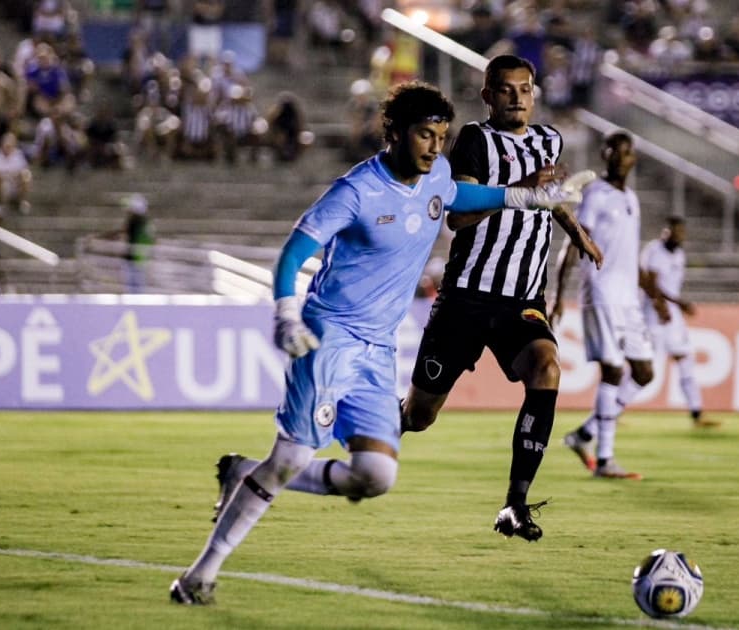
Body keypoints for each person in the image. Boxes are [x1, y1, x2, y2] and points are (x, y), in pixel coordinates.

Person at [169, 81, 592, 605]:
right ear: (393, 133)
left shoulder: (436, 173)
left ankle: (241, 473)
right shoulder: (357, 190)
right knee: (290, 457)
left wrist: (522, 195)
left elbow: (461, 195)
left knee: (375, 474)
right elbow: (294, 250)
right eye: (423, 135)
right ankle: (197, 577)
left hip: (377, 351)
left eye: (441, 136)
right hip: (328, 338)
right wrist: (284, 312)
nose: (435, 147)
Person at [399, 55, 603, 543]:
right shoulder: (473, 141)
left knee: (547, 367)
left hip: (521, 301)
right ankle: (352, 432)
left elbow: (548, 199)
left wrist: (575, 231)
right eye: (506, 89)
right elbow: (458, 218)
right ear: (488, 95)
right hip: (466, 297)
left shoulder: (550, 140)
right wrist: (519, 190)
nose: (517, 97)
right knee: (420, 416)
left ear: (534, 93)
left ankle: (515, 503)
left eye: (525, 89)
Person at [551, 131, 653, 480]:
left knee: (643, 373)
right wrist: (558, 294)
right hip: (601, 291)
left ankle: (583, 435)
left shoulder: (631, 199)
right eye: (614, 150)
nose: (620, 156)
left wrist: (650, 293)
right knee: (612, 370)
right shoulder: (596, 194)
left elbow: (630, 255)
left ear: (633, 158)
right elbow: (573, 241)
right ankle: (605, 459)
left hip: (628, 298)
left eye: (627, 152)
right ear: (605, 154)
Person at [639, 216, 720, 428]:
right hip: (654, 314)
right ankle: (611, 409)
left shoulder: (679, 255)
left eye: (681, 232)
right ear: (666, 232)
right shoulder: (655, 251)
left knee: (685, 359)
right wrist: (678, 303)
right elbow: (651, 285)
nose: (679, 236)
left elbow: (670, 287)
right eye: (675, 231)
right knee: (645, 368)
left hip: (671, 316)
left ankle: (697, 413)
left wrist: (676, 305)